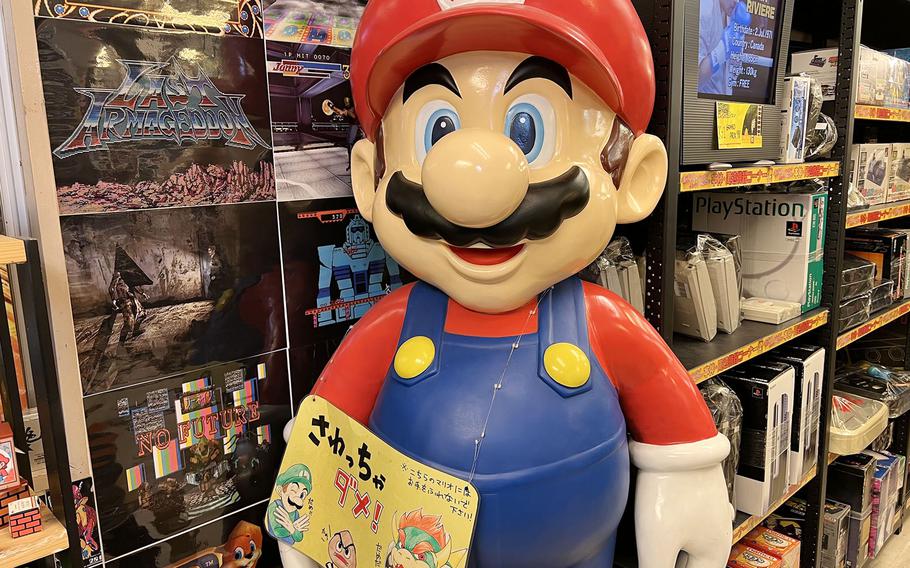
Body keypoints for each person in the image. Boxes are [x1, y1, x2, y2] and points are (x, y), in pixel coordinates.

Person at [279, 1, 733, 566]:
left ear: (633, 177)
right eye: (437, 130)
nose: (471, 190)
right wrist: (306, 518)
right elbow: (325, 437)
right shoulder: (392, 324)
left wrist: (686, 479)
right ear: (370, 179)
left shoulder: (602, 322)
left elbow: (670, 414)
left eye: (528, 128)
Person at [698, 0, 740, 95]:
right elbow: (694, 79)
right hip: (702, 104)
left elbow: (733, 76)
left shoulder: (732, 14)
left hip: (725, 102)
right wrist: (723, 49)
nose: (736, 1)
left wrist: (737, 55)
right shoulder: (704, 9)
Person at [267, 464, 312, 546]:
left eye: (302, 495)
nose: (298, 497)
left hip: (292, 548)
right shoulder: (274, 506)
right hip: (274, 544)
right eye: (294, 489)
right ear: (280, 490)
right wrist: (292, 529)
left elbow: (299, 537)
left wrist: (293, 529)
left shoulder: (296, 513)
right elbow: (276, 531)